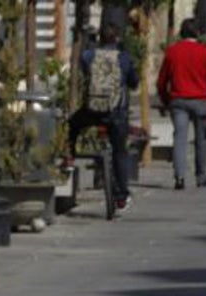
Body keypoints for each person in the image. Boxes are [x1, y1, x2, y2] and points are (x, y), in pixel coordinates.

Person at [65, 23, 141, 211]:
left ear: (99, 38)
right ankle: (121, 195)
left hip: (92, 111)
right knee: (120, 152)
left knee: (72, 124)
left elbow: (84, 69)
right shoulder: (123, 58)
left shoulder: (89, 56)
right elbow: (134, 82)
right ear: (117, 39)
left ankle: (70, 156)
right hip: (116, 112)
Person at [156, 18, 206, 190]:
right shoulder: (205, 52)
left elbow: (162, 81)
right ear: (198, 33)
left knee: (180, 138)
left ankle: (179, 177)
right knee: (201, 139)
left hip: (178, 101)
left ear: (181, 33)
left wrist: (165, 101)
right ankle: (201, 176)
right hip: (199, 100)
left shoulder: (172, 52)